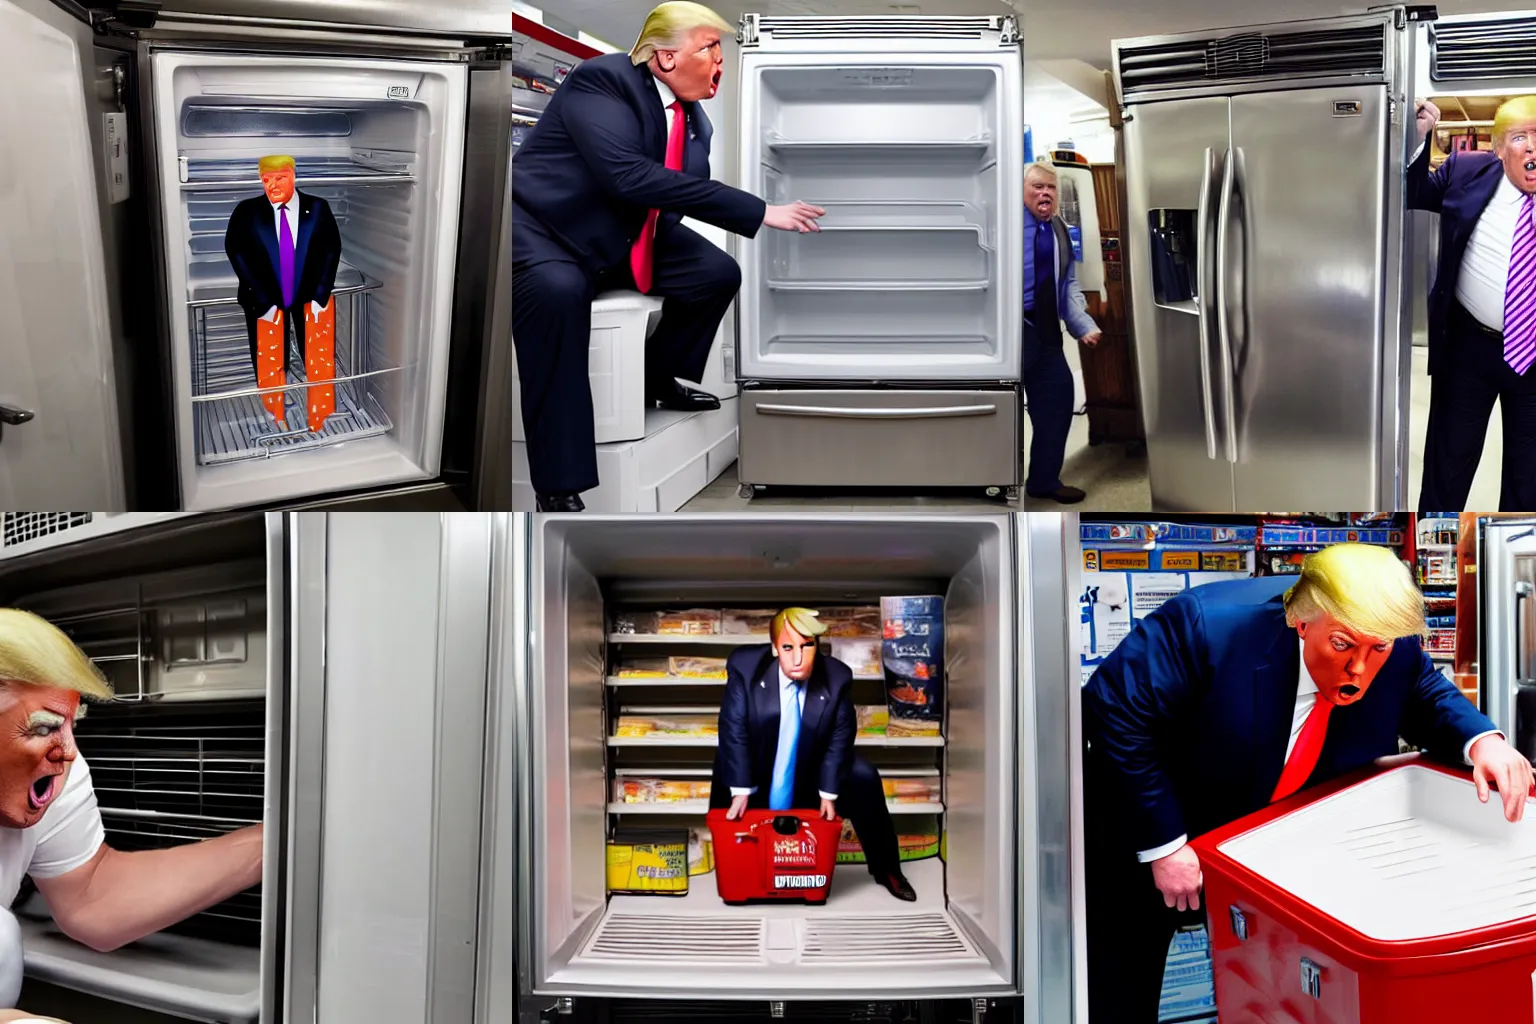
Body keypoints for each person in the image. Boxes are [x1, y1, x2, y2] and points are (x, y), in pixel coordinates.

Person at [1080, 543, 1533, 1024]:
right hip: (1161, 830)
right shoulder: (1207, 628)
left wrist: (1485, 742)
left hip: (1276, 857)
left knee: (1265, 988)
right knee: (1120, 987)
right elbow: (1113, 714)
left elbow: (1424, 692)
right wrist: (1165, 845)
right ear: (1302, 621)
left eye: (1376, 649)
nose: (1360, 669)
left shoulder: (1389, 645)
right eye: (1342, 645)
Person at [512, 1, 825, 512]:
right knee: (557, 293)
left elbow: (677, 191)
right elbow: (628, 176)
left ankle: (655, 379)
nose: (720, 64)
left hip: (623, 233)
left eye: (721, 54)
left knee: (716, 273)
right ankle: (557, 484)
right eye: (709, 51)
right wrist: (760, 210)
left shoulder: (695, 119)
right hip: (546, 230)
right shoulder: (603, 80)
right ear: (663, 58)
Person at [0, 609, 263, 1020]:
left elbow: (91, 894)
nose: (68, 751)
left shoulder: (54, 769)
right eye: (45, 727)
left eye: (72, 725)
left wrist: (280, 841)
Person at [710, 607, 915, 901]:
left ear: (817, 646)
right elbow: (733, 727)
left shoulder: (837, 676)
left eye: (807, 646)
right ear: (774, 648)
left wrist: (829, 792)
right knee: (728, 772)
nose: (797, 658)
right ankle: (738, 868)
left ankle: (887, 869)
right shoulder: (744, 667)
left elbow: (840, 736)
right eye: (788, 647)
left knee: (863, 775)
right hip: (754, 768)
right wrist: (741, 788)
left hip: (811, 770)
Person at [1410, 95, 1536, 512]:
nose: (1533, 149)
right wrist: (1420, 136)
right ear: (1499, 149)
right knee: (1449, 466)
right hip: (1469, 348)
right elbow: (1415, 192)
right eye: (1520, 138)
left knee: (1528, 479)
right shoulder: (1465, 170)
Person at [223, 154, 343, 434]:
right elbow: (236, 250)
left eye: (280, 178)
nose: (273, 186)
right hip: (265, 300)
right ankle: (275, 412)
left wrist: (320, 295)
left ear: (293, 176)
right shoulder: (247, 211)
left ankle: (321, 415)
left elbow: (330, 250)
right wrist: (261, 299)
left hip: (308, 298)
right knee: (268, 357)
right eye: (266, 180)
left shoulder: (318, 208)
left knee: (316, 355)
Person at [1022, 158, 1101, 505]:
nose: (1045, 193)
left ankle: (1042, 480)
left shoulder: (1058, 229)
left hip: (1046, 330)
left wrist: (1083, 324)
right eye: (1037, 186)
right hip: (1010, 333)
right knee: (1001, 412)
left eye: (1050, 188)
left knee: (1056, 402)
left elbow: (1066, 282)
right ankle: (991, 483)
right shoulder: (1002, 226)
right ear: (1021, 191)